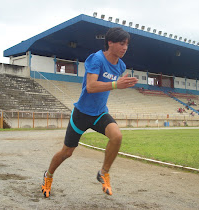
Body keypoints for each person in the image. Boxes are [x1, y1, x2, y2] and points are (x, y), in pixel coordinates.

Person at [41, 27, 138, 198]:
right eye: (122, 44)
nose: (125, 48)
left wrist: (123, 83)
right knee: (67, 152)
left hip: (100, 113)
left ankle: (103, 172)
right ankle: (48, 176)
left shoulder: (121, 66)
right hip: (82, 114)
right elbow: (91, 87)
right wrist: (117, 84)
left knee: (117, 136)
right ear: (110, 43)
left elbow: (110, 85)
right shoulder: (96, 59)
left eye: (127, 45)